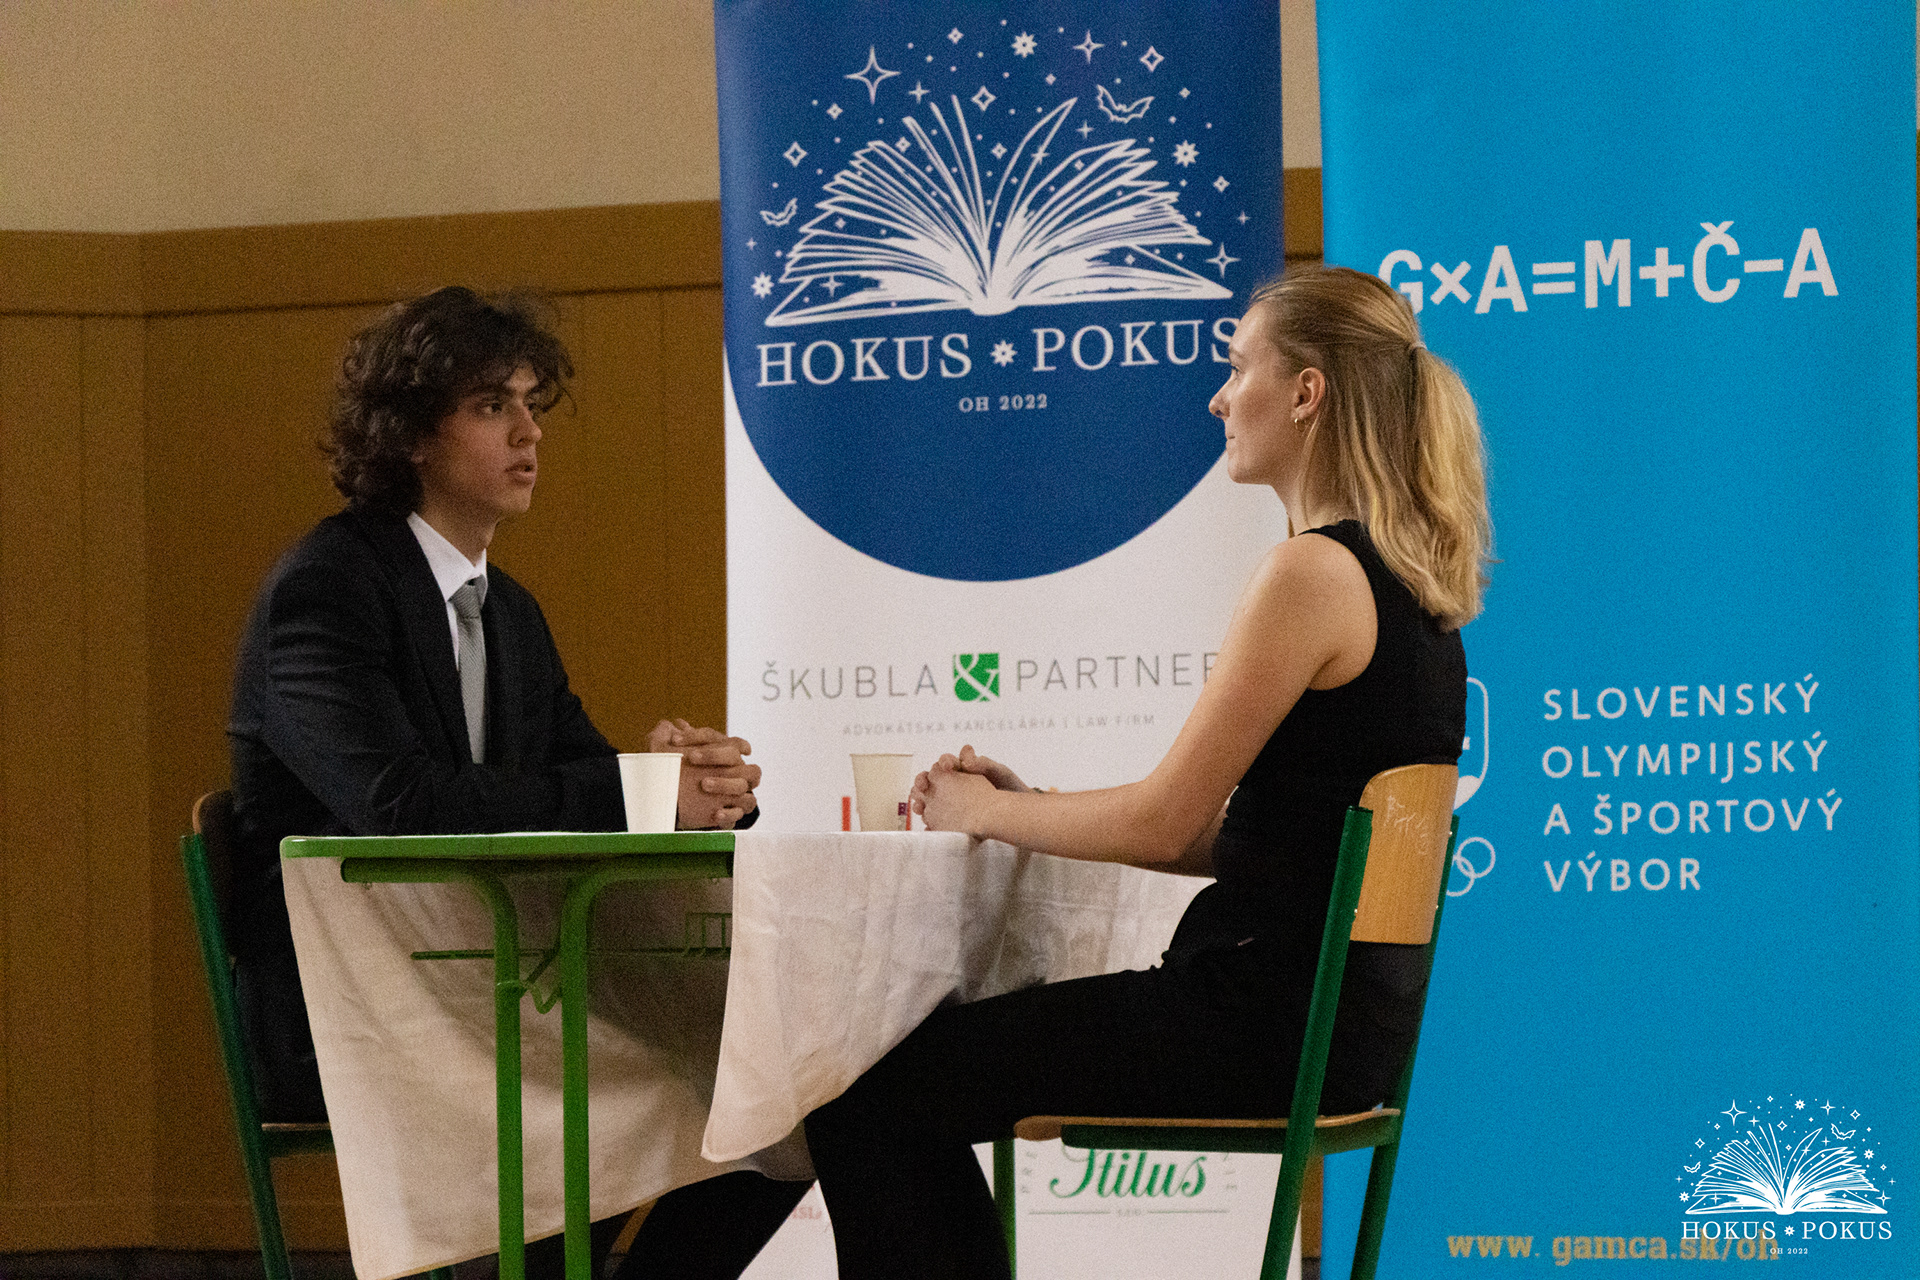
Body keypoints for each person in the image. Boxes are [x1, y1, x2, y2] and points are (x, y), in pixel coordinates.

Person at [801, 266, 1492, 1280]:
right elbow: (1265, 840)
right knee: (899, 1091)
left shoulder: (1310, 573)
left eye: (1239, 367)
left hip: (1259, 1020)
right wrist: (1026, 806)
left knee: (864, 1097)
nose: (1218, 398)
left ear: (1307, 392)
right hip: (1343, 1029)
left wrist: (979, 808)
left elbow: (1165, 822)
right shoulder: (1413, 591)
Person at [226, 286, 807, 1280]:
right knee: (680, 1079)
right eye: (494, 405)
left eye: (533, 404)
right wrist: (633, 791)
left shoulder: (509, 612)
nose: (530, 431)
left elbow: (582, 777)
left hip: (494, 981)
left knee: (790, 1083)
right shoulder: (325, 590)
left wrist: (690, 785)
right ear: (413, 433)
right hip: (356, 1005)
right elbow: (402, 807)